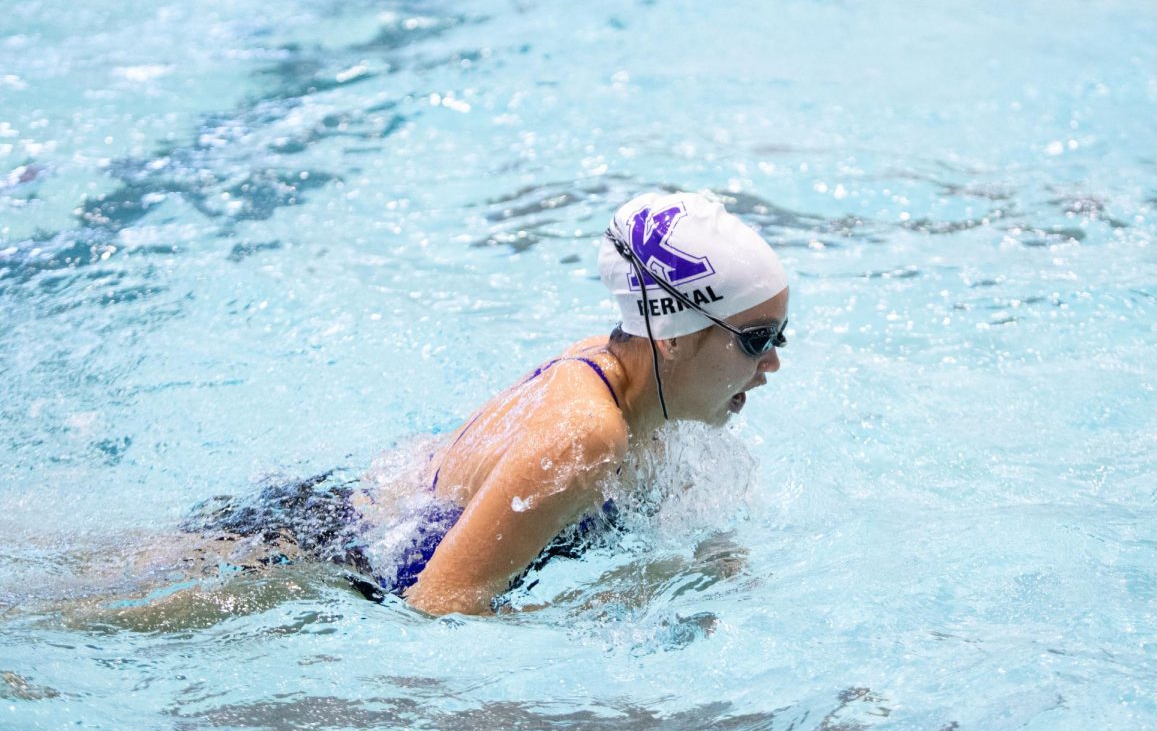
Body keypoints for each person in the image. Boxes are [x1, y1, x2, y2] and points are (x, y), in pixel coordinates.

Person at [187, 191, 790, 617]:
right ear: (676, 337)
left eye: (779, 338)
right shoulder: (586, 436)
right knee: (97, 612)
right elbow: (439, 605)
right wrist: (612, 604)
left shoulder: (639, 385)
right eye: (756, 340)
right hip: (297, 564)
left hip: (336, 515)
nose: (772, 364)